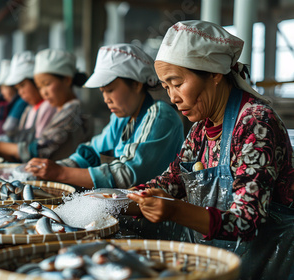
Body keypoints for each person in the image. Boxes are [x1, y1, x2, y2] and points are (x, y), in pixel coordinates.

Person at [121, 21, 293, 279]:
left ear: (214, 73)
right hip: (222, 259)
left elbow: (246, 222)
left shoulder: (256, 124)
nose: (173, 97)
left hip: (265, 264)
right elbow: (171, 182)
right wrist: (121, 200)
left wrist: (175, 210)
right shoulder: (202, 128)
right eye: (166, 87)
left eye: (177, 83)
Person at [26, 44, 184, 189]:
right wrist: (49, 168)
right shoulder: (121, 118)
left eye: (110, 90)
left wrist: (60, 172)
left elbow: (127, 175)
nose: (106, 99)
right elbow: (92, 153)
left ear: (136, 84)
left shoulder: (160, 116)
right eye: (103, 92)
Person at [0, 49, 93, 162]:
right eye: (40, 87)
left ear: (67, 80)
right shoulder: (59, 109)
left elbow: (41, 150)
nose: (43, 92)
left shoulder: (74, 111)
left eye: (47, 84)